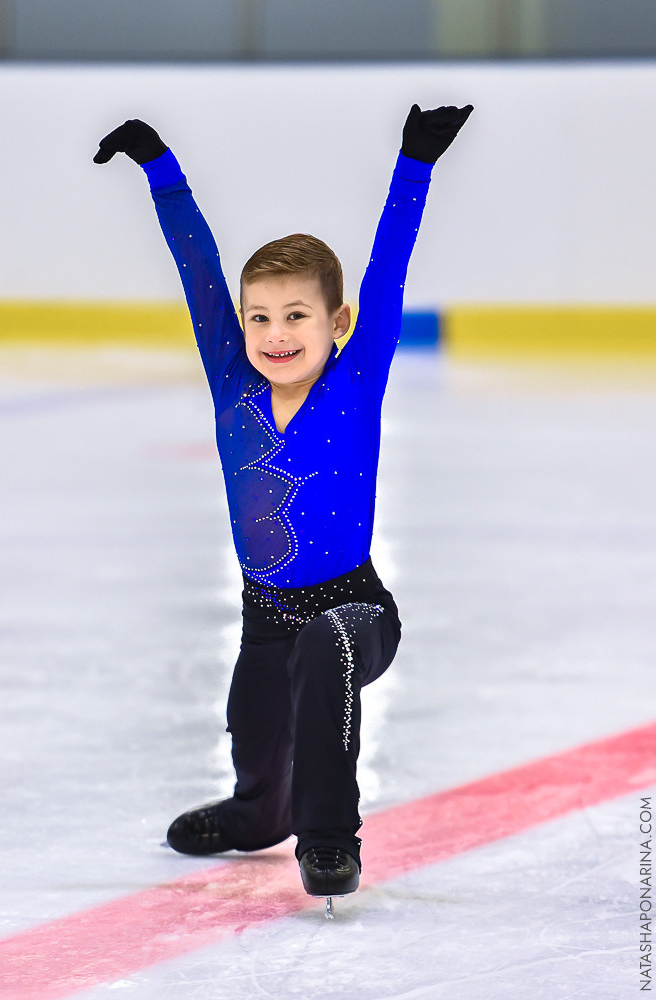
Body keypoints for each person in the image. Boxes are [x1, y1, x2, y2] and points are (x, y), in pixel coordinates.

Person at [93, 102, 472, 901]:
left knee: (322, 653)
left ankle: (329, 840)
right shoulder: (234, 380)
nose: (275, 333)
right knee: (255, 726)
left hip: (354, 608)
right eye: (259, 316)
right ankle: (258, 814)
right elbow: (198, 266)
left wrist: (415, 165)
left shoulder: (356, 379)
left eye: (296, 315)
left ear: (337, 323)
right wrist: (159, 166)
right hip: (266, 609)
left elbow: (388, 268)